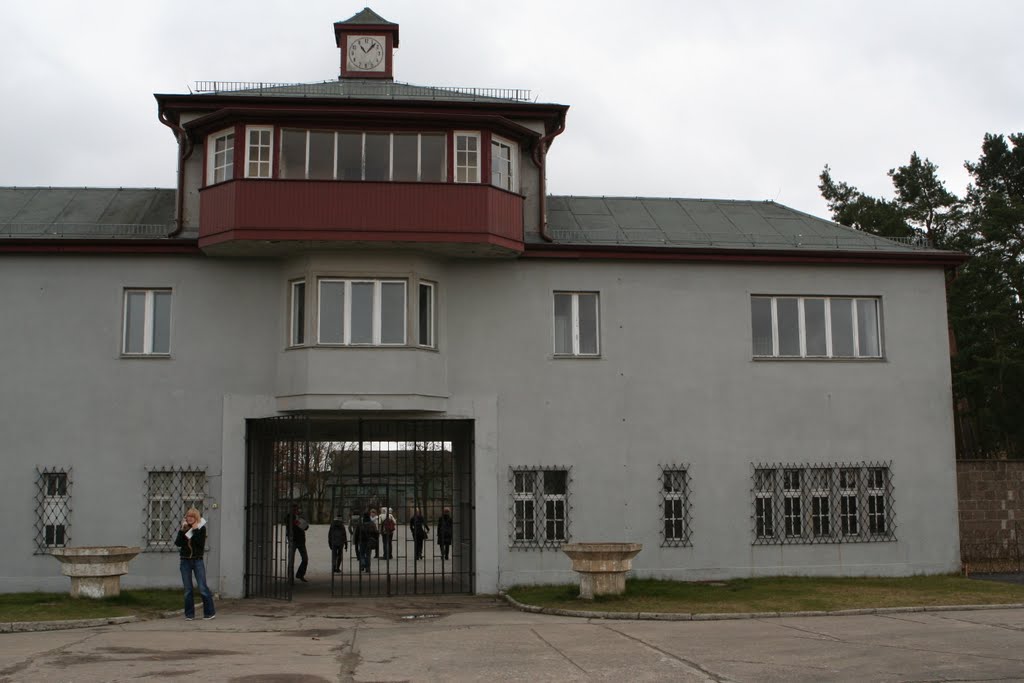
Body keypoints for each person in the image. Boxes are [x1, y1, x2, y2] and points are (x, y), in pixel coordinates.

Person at [175, 507, 216, 621]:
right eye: (188, 516)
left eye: (192, 516)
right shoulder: (184, 529)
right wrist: (182, 531)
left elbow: (200, 544)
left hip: (197, 560)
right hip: (185, 561)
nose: (190, 518)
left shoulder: (201, 529)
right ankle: (189, 614)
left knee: (202, 587)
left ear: (196, 518)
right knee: (188, 589)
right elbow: (178, 543)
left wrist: (195, 530)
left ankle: (209, 613)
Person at [285, 503, 309, 583]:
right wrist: (298, 521)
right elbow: (290, 524)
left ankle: (300, 574)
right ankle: (290, 579)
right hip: (293, 541)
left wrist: (299, 520)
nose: (295, 511)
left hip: (301, 541)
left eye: (296, 509)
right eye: (294, 509)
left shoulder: (300, 517)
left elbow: (306, 527)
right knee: (291, 561)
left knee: (305, 559)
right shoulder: (289, 517)